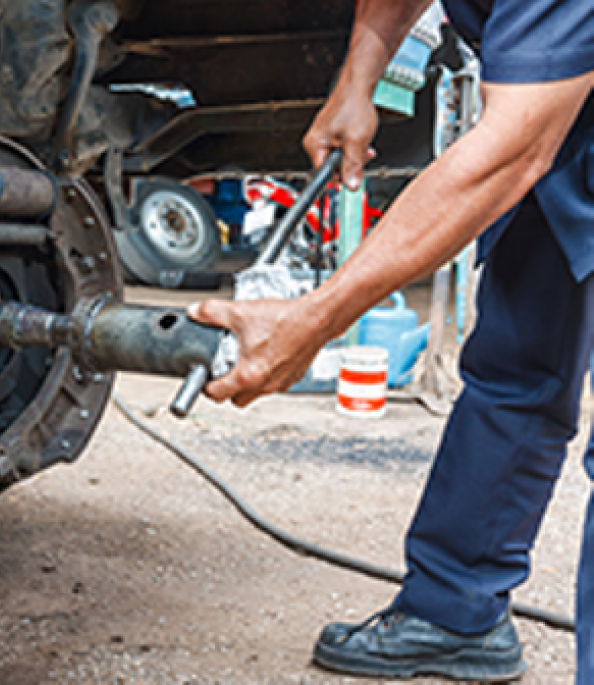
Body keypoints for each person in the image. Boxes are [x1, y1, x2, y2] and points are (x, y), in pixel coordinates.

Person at [188, 0, 593, 681]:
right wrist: (356, 82)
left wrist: (318, 317)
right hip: (569, 113)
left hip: (545, 117)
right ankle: (454, 610)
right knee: (517, 364)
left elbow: (512, 150)